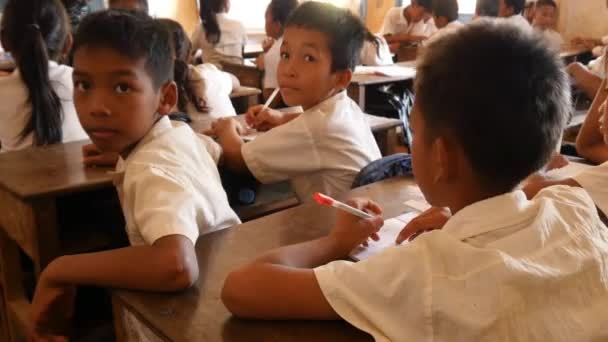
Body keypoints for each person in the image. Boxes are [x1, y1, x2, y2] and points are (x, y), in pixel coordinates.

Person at [222, 20, 608, 341]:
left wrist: (337, 241)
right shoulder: (575, 210)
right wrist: (464, 214)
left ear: (440, 157)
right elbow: (532, 192)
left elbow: (241, 287)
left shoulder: (423, 274)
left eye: (415, 132)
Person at [29, 10, 240, 340]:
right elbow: (213, 151)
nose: (98, 105)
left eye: (122, 87)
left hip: (181, 324)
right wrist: (125, 154)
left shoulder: (149, 169)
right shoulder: (178, 135)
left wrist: (60, 269)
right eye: (84, 85)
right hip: (220, 300)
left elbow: (177, 265)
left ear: (166, 98)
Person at [211, 2, 382, 202]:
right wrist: (281, 117)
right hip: (362, 218)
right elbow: (314, 124)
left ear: (341, 78)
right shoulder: (344, 108)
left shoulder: (314, 130)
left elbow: (238, 159)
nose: (288, 69)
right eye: (285, 55)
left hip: (330, 226)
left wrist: (227, 128)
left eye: (309, 58)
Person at [0, 0, 87, 152]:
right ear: (68, 42)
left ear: (4, 41)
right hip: (84, 174)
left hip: (15, 176)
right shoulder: (83, 83)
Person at [191, 0, 247, 66]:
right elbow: (241, 51)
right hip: (239, 75)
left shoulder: (202, 28)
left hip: (212, 75)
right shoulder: (239, 25)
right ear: (226, 3)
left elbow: (188, 51)